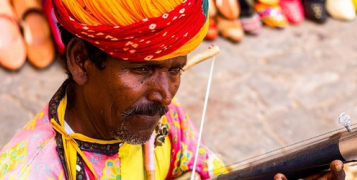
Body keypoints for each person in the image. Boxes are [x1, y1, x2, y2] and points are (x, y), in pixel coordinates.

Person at [0, 0, 347, 179]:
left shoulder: (163, 123)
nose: (165, 96)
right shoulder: (29, 172)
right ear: (81, 62)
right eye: (143, 69)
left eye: (176, 69)